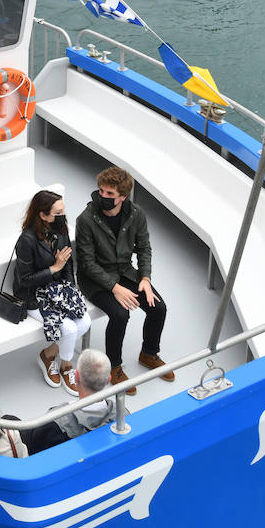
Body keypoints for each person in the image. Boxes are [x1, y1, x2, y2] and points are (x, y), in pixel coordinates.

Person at [75, 165, 174, 396]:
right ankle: (115, 367)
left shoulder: (136, 214)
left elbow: (144, 248)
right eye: (101, 191)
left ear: (123, 196)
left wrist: (145, 278)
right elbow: (87, 264)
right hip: (94, 279)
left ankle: (149, 354)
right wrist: (115, 288)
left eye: (110, 194)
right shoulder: (86, 219)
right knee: (120, 314)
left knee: (158, 307)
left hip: (124, 271)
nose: (103, 197)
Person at [14, 189, 91, 397]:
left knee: (84, 322)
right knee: (68, 328)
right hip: (32, 294)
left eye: (63, 211)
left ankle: (48, 355)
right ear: (43, 214)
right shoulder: (27, 240)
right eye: (58, 212)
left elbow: (68, 264)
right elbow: (25, 279)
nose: (62, 216)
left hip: (57, 290)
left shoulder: (61, 231)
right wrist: (54, 269)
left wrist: (69, 291)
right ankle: (67, 367)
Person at [21, 349, 118, 454]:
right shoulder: (122, 416)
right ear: (108, 380)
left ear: (76, 376)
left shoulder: (56, 421)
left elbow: (29, 445)